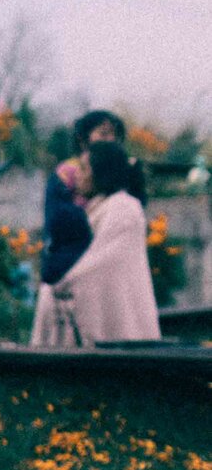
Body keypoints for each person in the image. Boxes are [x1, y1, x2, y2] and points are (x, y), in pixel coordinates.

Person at [45, 141, 159, 344]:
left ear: (101, 172)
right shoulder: (96, 209)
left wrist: (63, 282)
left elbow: (102, 262)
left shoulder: (123, 208)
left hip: (123, 322)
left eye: (84, 168)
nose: (76, 174)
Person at [40, 109, 128, 291]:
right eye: (103, 133)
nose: (110, 139)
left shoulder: (120, 173)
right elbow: (57, 222)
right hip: (74, 265)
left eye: (115, 135)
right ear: (82, 139)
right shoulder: (65, 174)